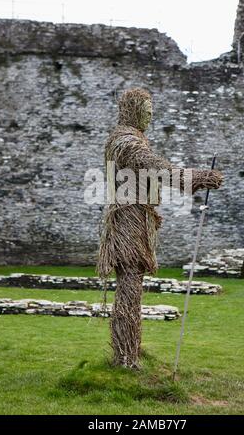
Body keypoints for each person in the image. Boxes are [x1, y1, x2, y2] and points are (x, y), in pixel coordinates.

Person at [98, 88, 223, 368]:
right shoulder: (126, 142)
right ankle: (125, 358)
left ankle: (131, 352)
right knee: (129, 285)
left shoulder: (133, 139)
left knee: (132, 287)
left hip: (137, 218)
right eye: (146, 107)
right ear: (132, 109)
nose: (151, 113)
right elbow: (155, 168)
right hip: (128, 220)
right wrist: (197, 178)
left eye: (152, 107)